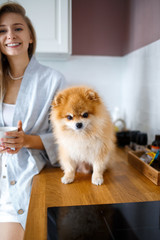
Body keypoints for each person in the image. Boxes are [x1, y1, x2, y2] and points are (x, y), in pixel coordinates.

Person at [0, 2, 65, 240]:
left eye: (17, 28)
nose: (10, 36)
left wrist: (26, 140)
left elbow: (66, 139)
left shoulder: (52, 80)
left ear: (29, 36)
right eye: (2, 30)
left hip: (32, 180)